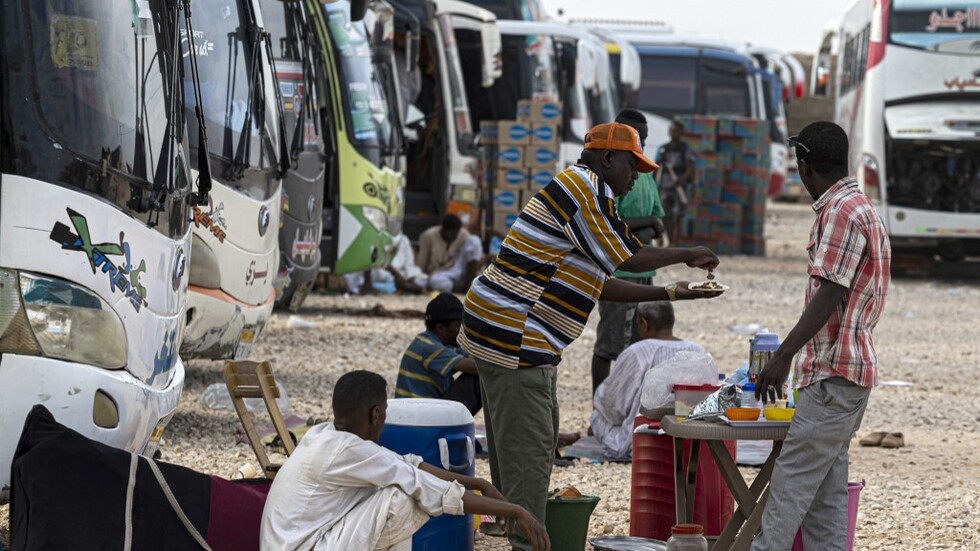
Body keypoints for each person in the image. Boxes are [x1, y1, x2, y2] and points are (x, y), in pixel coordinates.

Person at [459, 122, 722, 550]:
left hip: (501, 330)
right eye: (632, 166)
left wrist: (672, 292)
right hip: (515, 334)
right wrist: (686, 255)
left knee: (522, 444)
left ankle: (515, 528)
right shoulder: (587, 190)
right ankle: (526, 541)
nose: (636, 176)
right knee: (530, 447)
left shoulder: (586, 193)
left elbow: (596, 282)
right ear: (607, 158)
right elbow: (630, 257)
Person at [751, 121, 891, 551]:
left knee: (788, 493)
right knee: (826, 502)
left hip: (833, 376)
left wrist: (783, 355)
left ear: (804, 167)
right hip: (848, 375)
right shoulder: (861, 206)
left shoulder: (841, 212)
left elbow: (831, 289)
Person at [260, 370, 550, 551]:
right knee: (403, 497)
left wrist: (478, 483)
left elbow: (406, 464)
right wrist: (517, 511)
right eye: (384, 412)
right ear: (376, 414)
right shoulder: (349, 450)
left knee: (403, 484)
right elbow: (430, 489)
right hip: (302, 546)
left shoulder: (324, 434)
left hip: (294, 542)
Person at [591, 109, 667, 396]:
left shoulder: (644, 174)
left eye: (644, 140)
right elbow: (609, 226)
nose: (641, 147)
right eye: (635, 139)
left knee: (639, 347)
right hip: (619, 275)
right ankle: (599, 411)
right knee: (609, 347)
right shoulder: (610, 179)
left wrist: (645, 225)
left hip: (644, 271)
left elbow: (655, 225)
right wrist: (647, 223)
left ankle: (629, 410)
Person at [590, 301, 705, 460]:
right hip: (691, 437)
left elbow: (612, 406)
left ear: (644, 323)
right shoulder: (698, 350)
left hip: (640, 439)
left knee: (597, 416)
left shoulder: (637, 352)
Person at [395, 293, 482, 415]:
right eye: (459, 325)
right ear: (441, 328)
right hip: (421, 416)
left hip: (423, 411)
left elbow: (473, 355)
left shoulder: (440, 343)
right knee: (480, 379)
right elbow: (478, 368)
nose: (463, 329)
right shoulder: (429, 348)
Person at [416, 214, 484, 293]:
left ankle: (469, 282)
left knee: (475, 240)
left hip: (458, 268)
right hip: (440, 273)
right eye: (451, 232)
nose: (455, 235)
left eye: (456, 232)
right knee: (434, 282)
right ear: (444, 230)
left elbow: (473, 254)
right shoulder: (428, 236)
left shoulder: (463, 234)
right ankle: (463, 288)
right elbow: (421, 262)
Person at [655, 121, 694, 244]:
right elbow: (656, 168)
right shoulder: (663, 149)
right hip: (665, 187)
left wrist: (682, 179)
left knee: (677, 216)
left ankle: (676, 243)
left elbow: (690, 167)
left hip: (679, 188)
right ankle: (669, 241)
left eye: (676, 131)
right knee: (666, 216)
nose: (673, 133)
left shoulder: (685, 148)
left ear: (681, 133)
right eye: (672, 130)